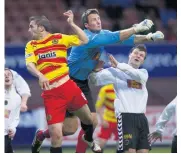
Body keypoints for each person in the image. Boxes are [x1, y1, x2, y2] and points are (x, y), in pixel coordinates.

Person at [32, 8, 164, 153]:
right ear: (86, 26)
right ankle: (43, 135)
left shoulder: (102, 36)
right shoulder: (88, 38)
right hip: (67, 81)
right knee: (69, 129)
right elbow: (117, 37)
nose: (98, 21)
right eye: (94, 20)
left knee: (90, 122)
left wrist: (149, 37)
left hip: (82, 83)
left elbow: (128, 39)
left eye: (98, 18)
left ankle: (82, 144)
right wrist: (137, 27)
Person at [25, 10, 102, 153]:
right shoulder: (31, 45)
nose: (29, 29)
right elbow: (29, 64)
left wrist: (72, 23)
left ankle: (89, 139)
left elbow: (84, 40)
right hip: (51, 94)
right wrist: (40, 75)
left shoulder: (60, 38)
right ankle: (41, 136)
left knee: (88, 120)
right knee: (56, 135)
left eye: (31, 26)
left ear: (41, 28)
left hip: (69, 87)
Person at [89, 44, 151, 153]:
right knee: (129, 151)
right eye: (136, 53)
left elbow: (135, 75)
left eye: (141, 55)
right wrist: (94, 69)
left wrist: (118, 65)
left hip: (142, 119)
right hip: (125, 118)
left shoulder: (143, 73)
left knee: (143, 152)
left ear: (143, 61)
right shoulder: (115, 72)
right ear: (129, 55)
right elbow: (95, 80)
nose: (138, 56)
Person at [4, 69, 26, 152]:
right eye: (4, 74)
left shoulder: (16, 98)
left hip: (5, 135)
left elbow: (14, 117)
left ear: (13, 79)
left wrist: (13, 128)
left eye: (9, 74)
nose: (6, 76)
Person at [95, 84, 118, 151]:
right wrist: (102, 120)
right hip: (108, 120)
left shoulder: (125, 88)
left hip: (122, 120)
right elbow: (98, 106)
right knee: (101, 143)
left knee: (123, 144)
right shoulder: (105, 89)